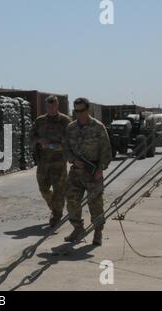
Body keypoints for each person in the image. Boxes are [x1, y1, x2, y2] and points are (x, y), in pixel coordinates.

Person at [63, 97, 112, 246]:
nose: (78, 114)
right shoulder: (71, 128)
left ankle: (98, 232)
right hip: (76, 172)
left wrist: (100, 169)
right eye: (76, 111)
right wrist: (72, 159)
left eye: (81, 110)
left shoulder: (98, 127)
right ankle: (78, 228)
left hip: (93, 173)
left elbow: (106, 151)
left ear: (88, 110)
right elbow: (66, 148)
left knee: (95, 204)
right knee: (71, 201)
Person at [30, 95, 71, 227]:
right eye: (48, 106)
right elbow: (31, 137)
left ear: (57, 106)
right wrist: (38, 140)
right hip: (43, 162)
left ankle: (56, 215)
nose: (51, 109)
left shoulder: (65, 121)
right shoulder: (40, 121)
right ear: (46, 107)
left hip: (59, 162)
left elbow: (71, 141)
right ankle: (55, 209)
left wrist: (54, 146)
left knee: (59, 191)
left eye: (53, 106)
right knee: (44, 189)